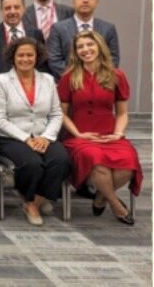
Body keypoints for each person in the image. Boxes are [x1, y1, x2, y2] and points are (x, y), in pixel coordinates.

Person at [58, 31, 142, 225]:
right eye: (80, 47)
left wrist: (118, 134)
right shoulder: (69, 77)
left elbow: (122, 113)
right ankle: (116, 205)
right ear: (76, 52)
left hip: (110, 134)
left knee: (127, 164)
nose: (86, 50)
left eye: (90, 45)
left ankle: (101, 197)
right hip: (80, 135)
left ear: (99, 47)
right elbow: (61, 113)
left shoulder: (117, 76)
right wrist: (78, 133)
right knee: (97, 162)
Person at [0, 38, 72, 226]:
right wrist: (26, 138)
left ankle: (35, 200)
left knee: (61, 160)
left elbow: (56, 114)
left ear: (37, 57)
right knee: (32, 163)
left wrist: (46, 137)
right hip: (10, 137)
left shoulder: (48, 80)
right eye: (21, 55)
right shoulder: (2, 81)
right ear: (13, 57)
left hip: (43, 135)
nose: (25, 59)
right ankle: (34, 203)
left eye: (30, 55)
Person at [47, 0, 120, 79]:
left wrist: (95, 79)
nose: (85, 0)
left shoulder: (108, 28)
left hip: (100, 84)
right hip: (69, 85)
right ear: (74, 1)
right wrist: (80, 79)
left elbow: (113, 59)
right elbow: (54, 61)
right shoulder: (58, 28)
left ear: (97, 2)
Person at [0, 0, 46, 84]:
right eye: (7, 8)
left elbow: (41, 63)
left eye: (16, 7)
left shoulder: (35, 33)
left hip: (29, 87)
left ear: (23, 9)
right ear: (1, 10)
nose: (12, 11)